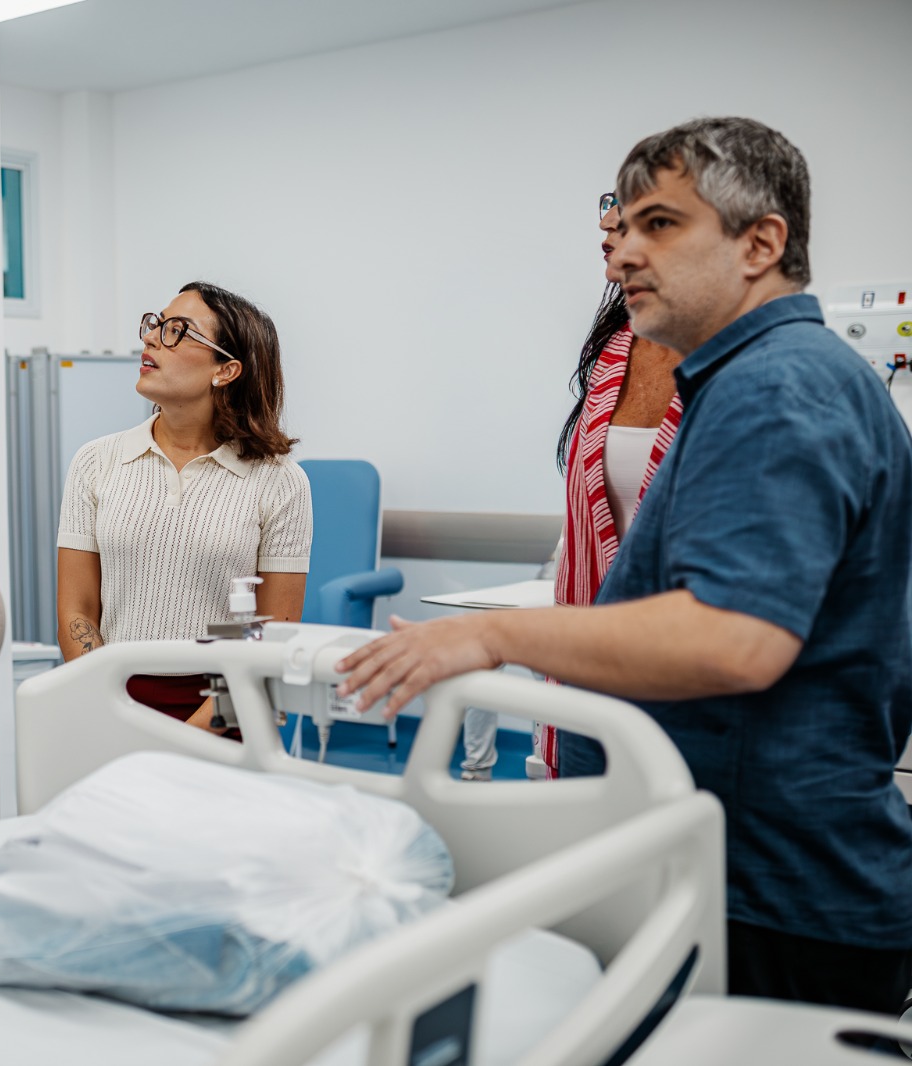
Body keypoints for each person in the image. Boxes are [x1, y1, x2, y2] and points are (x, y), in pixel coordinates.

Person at [335, 117, 912, 1013]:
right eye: (625, 224)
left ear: (761, 244)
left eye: (662, 224)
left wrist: (492, 636)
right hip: (733, 864)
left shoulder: (778, 387)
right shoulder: (751, 378)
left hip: (766, 892)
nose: (624, 252)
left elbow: (734, 638)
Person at [56, 282, 312, 728]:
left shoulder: (280, 481)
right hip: (111, 699)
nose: (151, 337)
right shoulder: (95, 462)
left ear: (226, 370)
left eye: (177, 330)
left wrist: (190, 734)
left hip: (224, 707)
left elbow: (270, 635)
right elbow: (76, 611)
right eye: (155, 324)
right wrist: (112, 712)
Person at [532, 193, 686, 779]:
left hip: (689, 683)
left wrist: (498, 636)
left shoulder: (748, 370)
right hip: (591, 670)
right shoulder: (617, 348)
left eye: (631, 200)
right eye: (609, 199)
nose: (606, 223)